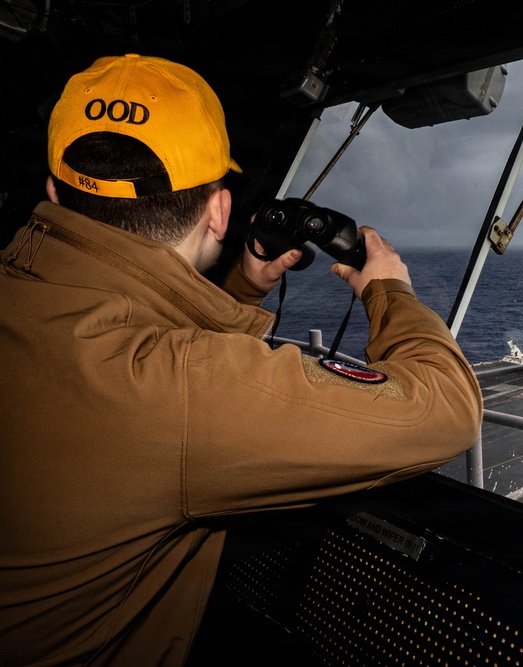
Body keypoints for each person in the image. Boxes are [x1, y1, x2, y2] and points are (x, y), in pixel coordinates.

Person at [0, 54, 483, 667]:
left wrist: (243, 288)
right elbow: (446, 407)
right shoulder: (172, 387)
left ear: (53, 191)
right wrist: (389, 289)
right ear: (219, 211)